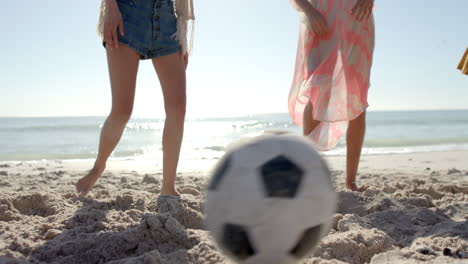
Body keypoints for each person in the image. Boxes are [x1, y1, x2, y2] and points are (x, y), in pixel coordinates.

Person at [76, 0, 195, 200]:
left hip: (167, 20)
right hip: (128, 15)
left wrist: (182, 34)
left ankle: (168, 188)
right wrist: (112, 9)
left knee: (178, 107)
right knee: (122, 110)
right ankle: (98, 166)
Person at [289, 0, 375, 191]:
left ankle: (351, 181)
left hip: (357, 19)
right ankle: (309, 174)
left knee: (357, 97)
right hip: (320, 18)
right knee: (317, 91)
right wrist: (309, 11)